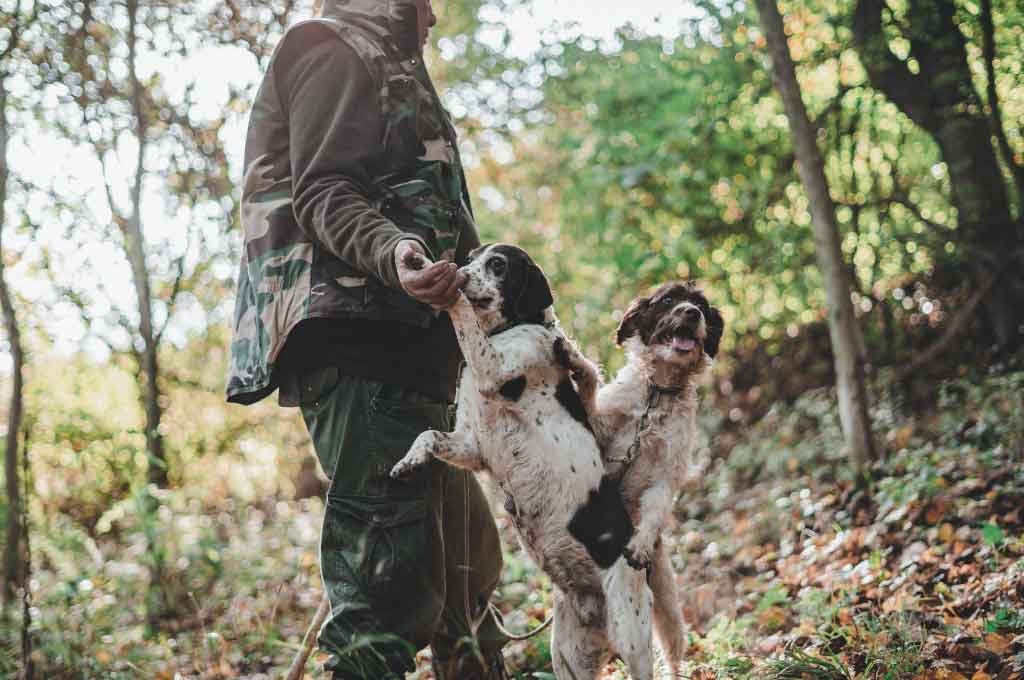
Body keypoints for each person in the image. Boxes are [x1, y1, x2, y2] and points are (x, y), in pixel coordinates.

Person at [224, 0, 508, 677]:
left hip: (416, 360)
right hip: (365, 351)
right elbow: (322, 190)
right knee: (388, 603)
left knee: (468, 583)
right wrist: (397, 251)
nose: (435, 16)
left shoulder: (395, 66)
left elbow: (448, 223)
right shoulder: (330, 47)